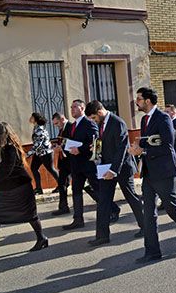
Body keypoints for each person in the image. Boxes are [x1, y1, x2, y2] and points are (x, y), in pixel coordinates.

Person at [128, 87, 176, 262]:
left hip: (164, 171)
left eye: (138, 99)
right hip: (149, 172)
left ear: (147, 100)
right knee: (148, 214)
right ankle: (152, 252)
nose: (136, 102)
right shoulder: (145, 119)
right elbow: (148, 143)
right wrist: (139, 150)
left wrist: (142, 149)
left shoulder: (163, 118)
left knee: (171, 208)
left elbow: (167, 144)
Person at [0, 122, 48, 257]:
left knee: (30, 214)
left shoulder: (10, 149)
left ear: (0, 134)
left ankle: (41, 238)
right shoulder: (1, 148)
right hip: (8, 188)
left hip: (19, 188)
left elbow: (6, 171)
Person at [85, 100, 144, 246]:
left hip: (122, 168)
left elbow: (122, 149)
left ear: (99, 112)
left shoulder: (118, 123)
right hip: (105, 168)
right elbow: (101, 142)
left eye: (93, 118)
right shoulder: (100, 125)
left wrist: (113, 170)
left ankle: (146, 226)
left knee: (131, 198)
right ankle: (102, 236)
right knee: (103, 201)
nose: (93, 121)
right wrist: (95, 151)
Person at [62, 100, 119, 230]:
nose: (72, 109)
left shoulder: (89, 123)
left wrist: (80, 149)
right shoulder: (71, 126)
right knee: (76, 191)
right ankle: (78, 219)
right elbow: (69, 140)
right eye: (71, 107)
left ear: (82, 108)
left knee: (97, 189)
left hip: (88, 163)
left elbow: (95, 141)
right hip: (75, 164)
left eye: (75, 107)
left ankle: (113, 209)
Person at [27, 112, 59, 195]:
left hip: (46, 153)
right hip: (39, 153)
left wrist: (28, 154)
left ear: (35, 119)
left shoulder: (39, 130)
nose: (30, 118)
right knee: (34, 168)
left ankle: (62, 185)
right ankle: (38, 189)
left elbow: (37, 144)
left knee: (51, 169)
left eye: (32, 117)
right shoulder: (36, 128)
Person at [50, 112, 72, 215]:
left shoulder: (71, 127)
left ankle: (102, 201)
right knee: (62, 183)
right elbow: (62, 141)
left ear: (62, 119)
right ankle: (63, 207)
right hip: (64, 161)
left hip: (72, 160)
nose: (56, 126)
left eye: (57, 123)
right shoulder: (61, 130)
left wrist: (61, 148)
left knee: (85, 184)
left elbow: (72, 142)